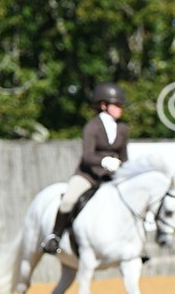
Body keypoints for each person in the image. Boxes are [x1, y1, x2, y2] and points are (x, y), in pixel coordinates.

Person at [40, 82, 130, 254]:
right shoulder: (92, 127)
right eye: (117, 105)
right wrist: (104, 161)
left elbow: (124, 157)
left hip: (112, 177)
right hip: (88, 175)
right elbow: (87, 156)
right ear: (104, 105)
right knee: (68, 201)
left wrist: (126, 171)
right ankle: (54, 237)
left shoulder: (123, 129)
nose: (121, 108)